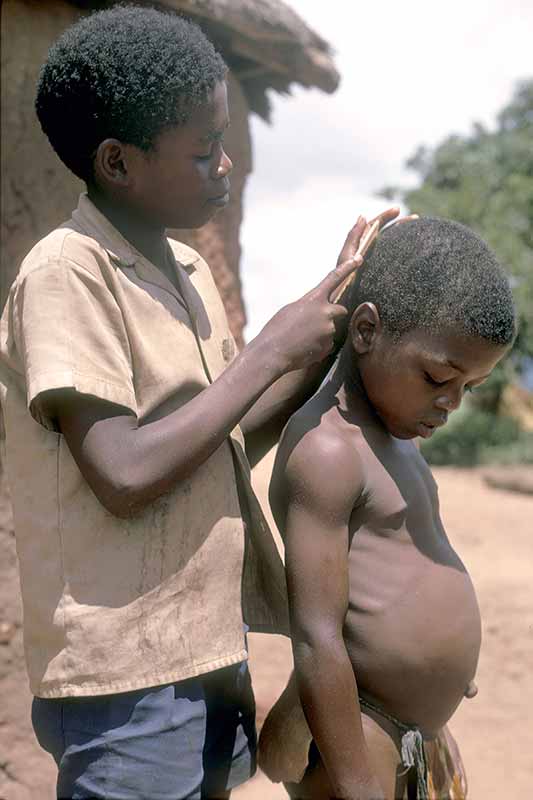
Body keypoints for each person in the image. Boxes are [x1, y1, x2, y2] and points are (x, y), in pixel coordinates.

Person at [0, 6, 402, 799]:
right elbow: (121, 472)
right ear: (117, 162)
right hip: (124, 677)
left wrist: (326, 337)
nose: (225, 165)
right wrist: (265, 353)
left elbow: (219, 440)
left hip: (207, 653)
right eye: (204, 149)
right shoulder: (67, 273)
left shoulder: (183, 272)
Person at [258, 217, 517, 800]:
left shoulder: (396, 440)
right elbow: (317, 634)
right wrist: (356, 786)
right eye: (436, 378)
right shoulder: (329, 452)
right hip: (357, 728)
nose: (451, 403)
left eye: (469, 388)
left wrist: (431, 709)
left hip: (409, 729)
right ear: (368, 329)